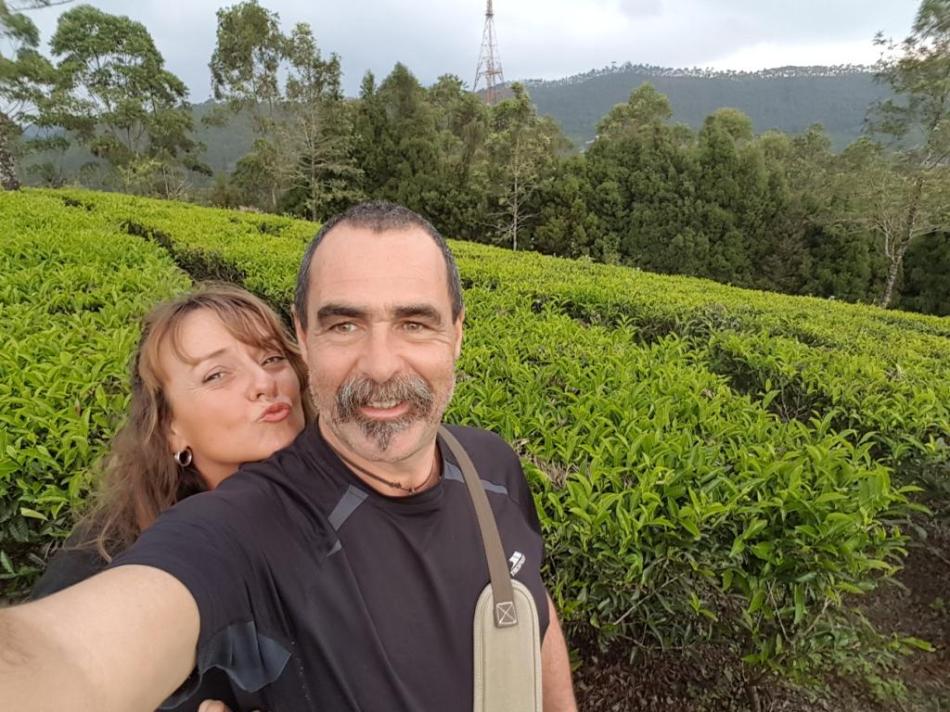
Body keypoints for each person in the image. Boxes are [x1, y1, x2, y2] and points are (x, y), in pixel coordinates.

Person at [0, 201, 577, 711]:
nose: (380, 365)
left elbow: (533, 607)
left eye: (414, 322)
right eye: (345, 324)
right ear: (306, 336)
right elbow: (62, 658)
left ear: (456, 334)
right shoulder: (244, 528)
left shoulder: (491, 466)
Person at [31, 285, 310, 711]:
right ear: (169, 429)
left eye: (272, 358)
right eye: (217, 374)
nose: (264, 382)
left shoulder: (345, 513)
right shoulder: (107, 563)